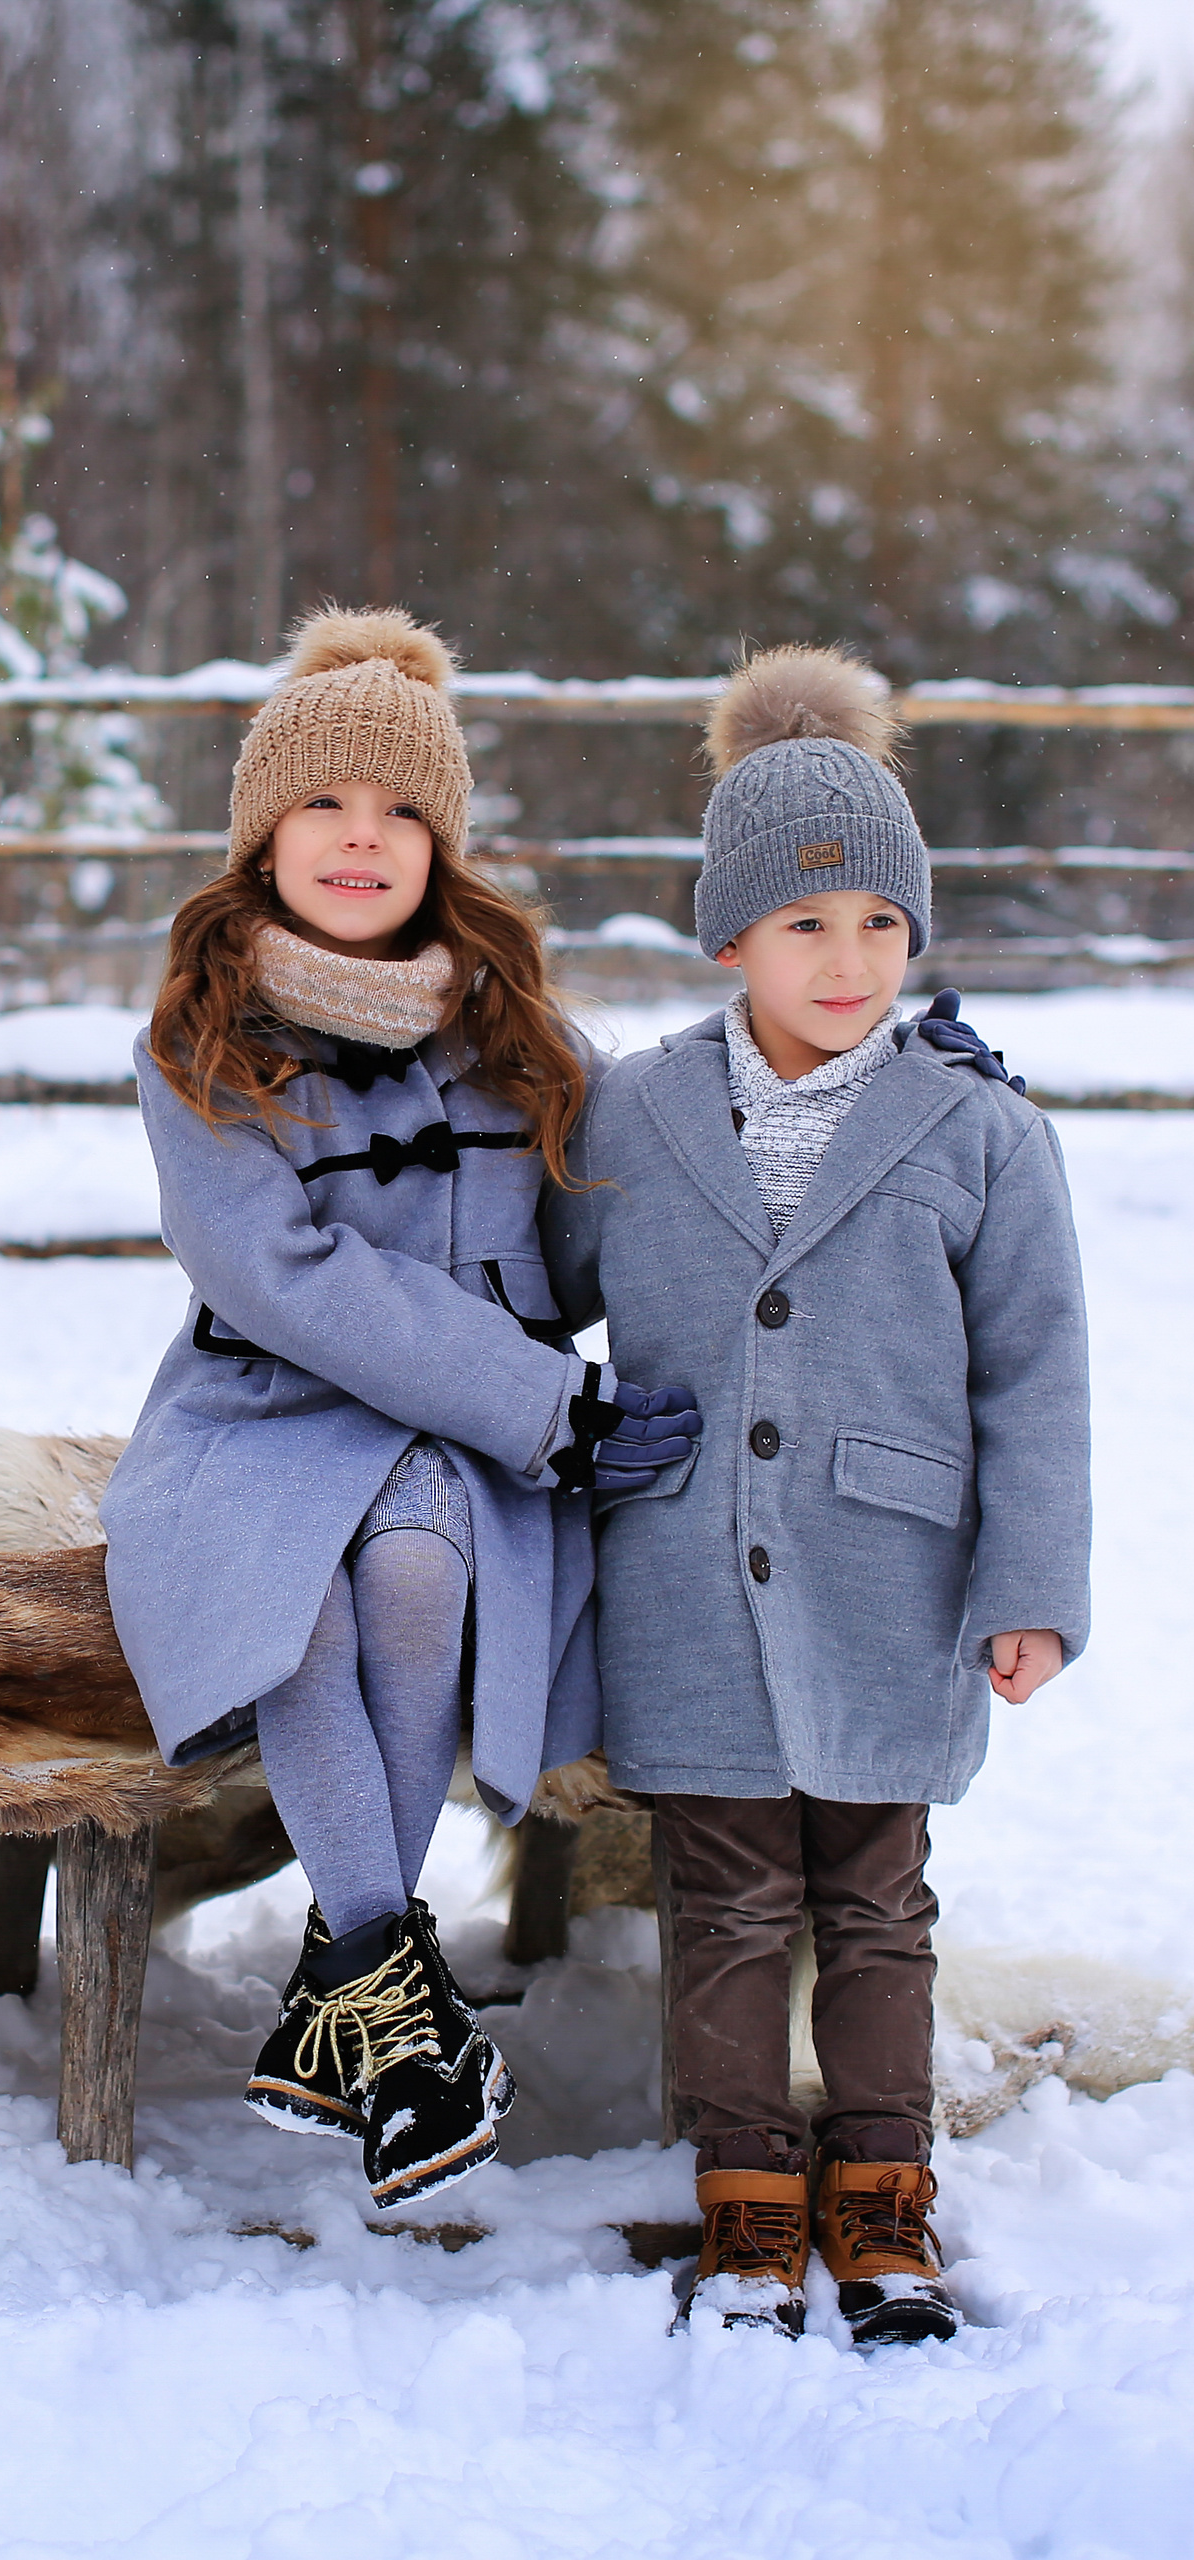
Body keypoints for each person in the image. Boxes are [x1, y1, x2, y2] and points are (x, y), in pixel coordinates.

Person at [99, 608, 700, 2210]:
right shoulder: (196, 1042)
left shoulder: (523, 1037)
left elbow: (629, 1205)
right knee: (296, 1602)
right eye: (325, 808)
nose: (362, 839)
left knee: (417, 1571)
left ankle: (349, 1996)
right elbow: (283, 1275)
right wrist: (545, 1409)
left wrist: (857, 1095)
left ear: (441, 843)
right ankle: (398, 2014)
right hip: (259, 1416)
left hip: (459, 1442)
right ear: (263, 836)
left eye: (400, 813)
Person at [542, 644, 1091, 2347]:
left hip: (890, 1584)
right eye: (805, 925)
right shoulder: (634, 1113)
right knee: (723, 1904)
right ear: (730, 941)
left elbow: (1039, 1372)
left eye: (879, 925)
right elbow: (534, 1284)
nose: (847, 960)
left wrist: (1032, 1584)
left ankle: (883, 2197)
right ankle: (749, 2202)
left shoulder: (978, 1131)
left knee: (875, 1905)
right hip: (693, 1583)